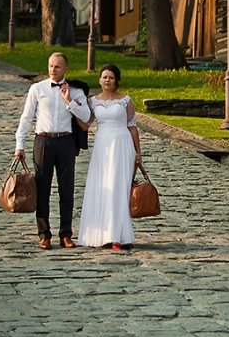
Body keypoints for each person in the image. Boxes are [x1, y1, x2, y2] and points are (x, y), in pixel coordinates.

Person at [14, 52, 91, 250]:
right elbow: (26, 117)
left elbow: (86, 116)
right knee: (42, 189)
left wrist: (69, 100)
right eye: (50, 66)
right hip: (43, 141)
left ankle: (66, 234)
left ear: (66, 68)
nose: (52, 70)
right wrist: (19, 145)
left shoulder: (75, 90)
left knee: (67, 189)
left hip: (65, 141)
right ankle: (44, 234)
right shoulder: (37, 88)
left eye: (57, 66)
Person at [77, 63, 143, 250]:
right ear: (99, 80)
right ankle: (100, 235)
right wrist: (71, 106)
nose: (107, 80)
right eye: (104, 77)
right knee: (102, 187)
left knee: (118, 189)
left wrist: (138, 153)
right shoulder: (93, 102)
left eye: (111, 77)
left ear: (116, 81)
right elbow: (85, 124)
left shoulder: (125, 101)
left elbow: (132, 126)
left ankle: (117, 236)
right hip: (102, 146)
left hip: (122, 145)